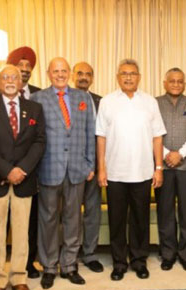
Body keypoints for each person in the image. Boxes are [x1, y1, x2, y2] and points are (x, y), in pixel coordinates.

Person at [0, 65, 46, 290]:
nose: (10, 80)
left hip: (24, 181)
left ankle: (19, 278)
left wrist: (21, 170)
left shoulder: (34, 108)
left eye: (14, 77)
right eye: (5, 77)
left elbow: (39, 142)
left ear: (20, 82)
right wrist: (7, 170)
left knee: (22, 233)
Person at [96, 59, 166, 281]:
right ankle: (119, 263)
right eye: (124, 73)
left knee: (140, 219)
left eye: (133, 74)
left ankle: (138, 260)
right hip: (115, 173)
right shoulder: (107, 101)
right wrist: (101, 168)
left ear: (139, 77)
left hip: (143, 172)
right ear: (118, 77)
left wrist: (158, 168)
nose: (128, 77)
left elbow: (157, 136)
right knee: (116, 220)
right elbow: (101, 137)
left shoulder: (150, 102)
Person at [31, 57, 95, 289]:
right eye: (55, 71)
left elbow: (90, 132)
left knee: (73, 219)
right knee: (47, 219)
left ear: (69, 72)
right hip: (48, 168)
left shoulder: (83, 98)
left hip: (77, 169)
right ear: (48, 73)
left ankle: (69, 265)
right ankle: (49, 266)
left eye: (63, 70)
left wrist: (90, 164)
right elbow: (34, 137)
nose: (60, 74)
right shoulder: (37, 99)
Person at [155, 67, 186, 271]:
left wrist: (180, 154)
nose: (176, 84)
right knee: (165, 211)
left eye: (180, 81)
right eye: (172, 81)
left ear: (185, 84)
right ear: (165, 83)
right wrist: (167, 154)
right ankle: (168, 253)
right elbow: (151, 132)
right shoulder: (154, 104)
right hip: (163, 167)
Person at [72, 61, 104, 273]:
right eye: (80, 73)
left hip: (96, 165)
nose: (84, 77)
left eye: (88, 74)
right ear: (74, 76)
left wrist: (100, 166)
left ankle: (90, 253)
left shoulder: (101, 101)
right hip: (71, 167)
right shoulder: (64, 99)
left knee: (93, 212)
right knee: (70, 213)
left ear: (92, 78)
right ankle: (70, 255)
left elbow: (105, 136)